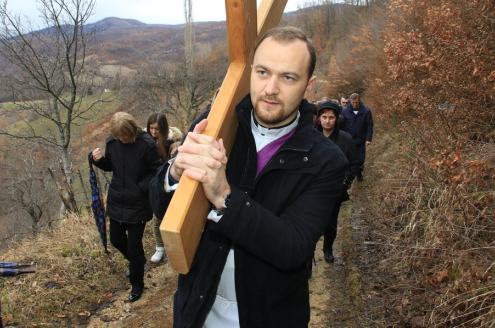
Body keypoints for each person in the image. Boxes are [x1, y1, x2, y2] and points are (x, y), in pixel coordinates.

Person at [152, 26, 348, 328]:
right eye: (262, 72)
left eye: (288, 77)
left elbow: (293, 248)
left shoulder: (326, 161)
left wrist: (225, 199)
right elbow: (162, 207)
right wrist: (175, 172)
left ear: (309, 87)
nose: (270, 88)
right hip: (198, 307)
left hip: (267, 314)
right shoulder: (216, 125)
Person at [91, 112, 160, 302]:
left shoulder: (147, 145)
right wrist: (98, 161)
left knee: (134, 246)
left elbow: (157, 171)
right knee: (116, 240)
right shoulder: (113, 143)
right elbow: (111, 166)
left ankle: (137, 284)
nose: (122, 139)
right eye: (118, 136)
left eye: (125, 136)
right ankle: (136, 262)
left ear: (132, 131)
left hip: (138, 203)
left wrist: (139, 189)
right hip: (117, 200)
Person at [315, 100, 359, 263]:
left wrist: (345, 182)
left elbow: (354, 163)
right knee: (309, 221)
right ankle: (307, 256)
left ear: (336, 119)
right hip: (313, 189)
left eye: (331, 117)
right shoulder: (310, 137)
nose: (327, 121)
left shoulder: (345, 139)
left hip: (335, 190)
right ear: (319, 118)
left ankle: (328, 249)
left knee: (331, 222)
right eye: (324, 117)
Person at [146, 113, 183, 263]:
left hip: (169, 181)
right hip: (155, 182)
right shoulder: (147, 141)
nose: (154, 132)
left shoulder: (172, 141)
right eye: (151, 128)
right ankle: (160, 247)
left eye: (157, 129)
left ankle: (176, 245)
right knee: (157, 218)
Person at [341, 93, 374, 182]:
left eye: (356, 102)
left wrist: (368, 138)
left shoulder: (366, 111)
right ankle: (350, 176)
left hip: (361, 139)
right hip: (349, 140)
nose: (354, 104)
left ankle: (359, 172)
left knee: (361, 159)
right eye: (353, 102)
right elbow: (342, 125)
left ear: (359, 101)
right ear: (350, 101)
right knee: (350, 159)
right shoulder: (345, 111)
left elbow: (369, 125)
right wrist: (345, 136)